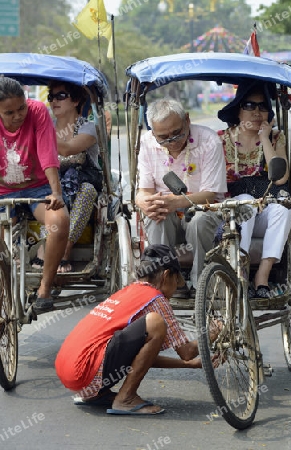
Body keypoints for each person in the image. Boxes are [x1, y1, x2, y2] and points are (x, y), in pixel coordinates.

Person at [55, 244, 221, 415]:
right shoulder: (155, 298)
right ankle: (125, 398)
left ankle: (96, 395)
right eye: (177, 281)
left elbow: (139, 358)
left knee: (149, 328)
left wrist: (191, 365)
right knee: (156, 323)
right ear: (166, 276)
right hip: (85, 373)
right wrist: (213, 333)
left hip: (72, 376)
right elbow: (187, 352)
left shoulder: (127, 291)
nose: (176, 288)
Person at [135, 98, 227, 298]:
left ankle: (201, 282)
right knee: (155, 215)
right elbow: (144, 190)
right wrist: (142, 201)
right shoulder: (146, 142)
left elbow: (210, 194)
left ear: (187, 120)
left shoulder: (209, 140)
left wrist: (175, 202)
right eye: (163, 137)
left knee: (199, 220)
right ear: (152, 132)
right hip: (167, 214)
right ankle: (167, 282)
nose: (172, 141)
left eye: (177, 133)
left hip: (204, 209)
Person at [217, 80, 291, 298]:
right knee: (244, 201)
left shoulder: (276, 137)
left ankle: (262, 274)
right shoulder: (220, 140)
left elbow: (281, 179)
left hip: (266, 210)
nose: (256, 112)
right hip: (232, 213)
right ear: (239, 109)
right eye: (250, 106)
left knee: (283, 208)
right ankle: (239, 270)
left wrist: (264, 138)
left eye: (262, 107)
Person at [0, 76, 69, 312]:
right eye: (9, 113)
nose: (18, 115)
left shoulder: (37, 111)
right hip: (2, 191)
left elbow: (48, 153)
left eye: (21, 107)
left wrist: (56, 192)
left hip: (37, 187)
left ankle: (44, 288)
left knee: (59, 222)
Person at [32, 81, 103, 273]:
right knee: (45, 191)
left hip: (83, 181)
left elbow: (68, 148)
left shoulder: (88, 127)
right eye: (51, 97)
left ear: (76, 100)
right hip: (52, 182)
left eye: (61, 96)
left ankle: (64, 250)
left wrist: (40, 131)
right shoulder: (47, 126)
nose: (54, 101)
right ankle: (42, 247)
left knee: (86, 191)